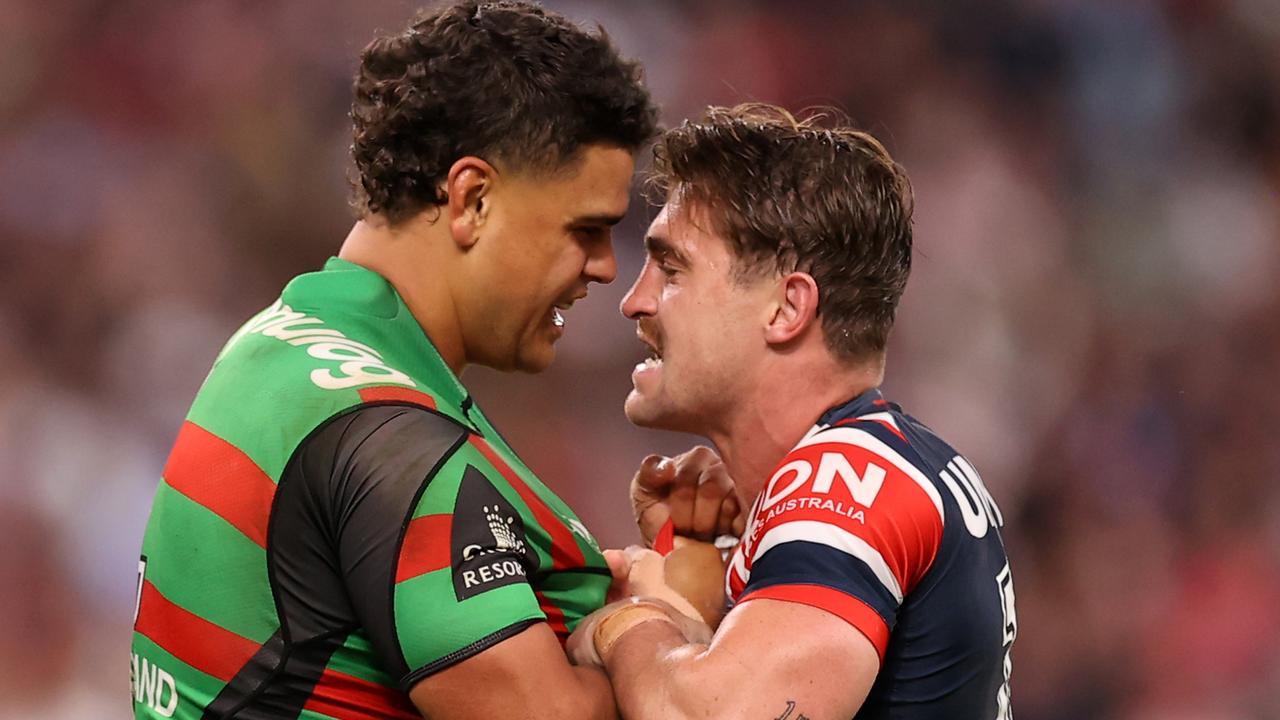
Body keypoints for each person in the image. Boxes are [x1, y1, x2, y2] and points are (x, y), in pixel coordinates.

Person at [127, 3, 690, 718]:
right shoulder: (395, 445)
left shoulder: (276, 340)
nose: (607, 268)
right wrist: (653, 616)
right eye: (586, 230)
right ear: (471, 199)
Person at [569, 104, 1017, 719]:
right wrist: (700, 579)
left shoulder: (847, 478)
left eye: (672, 269)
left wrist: (630, 622)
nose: (634, 301)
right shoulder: (883, 464)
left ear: (786, 308)